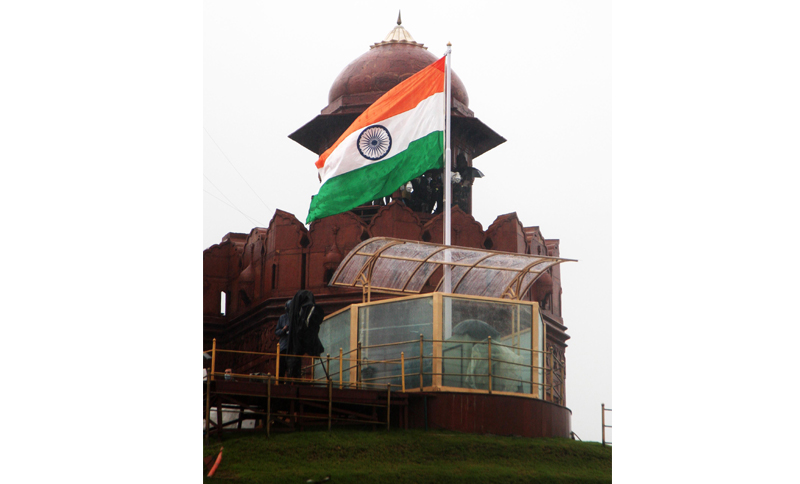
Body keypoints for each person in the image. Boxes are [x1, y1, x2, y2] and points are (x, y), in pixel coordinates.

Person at [275, 299, 292, 380]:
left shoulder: (295, 318)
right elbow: (276, 332)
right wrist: (283, 330)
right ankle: (280, 383)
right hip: (283, 347)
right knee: (281, 368)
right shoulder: (282, 318)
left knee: (291, 368)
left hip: (292, 347)